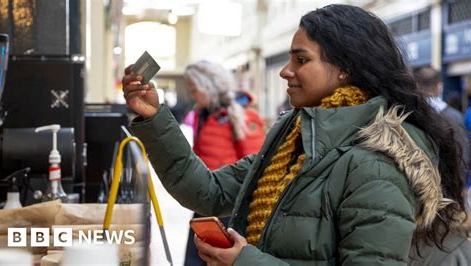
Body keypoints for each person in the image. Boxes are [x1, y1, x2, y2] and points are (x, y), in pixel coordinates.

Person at [122, 4, 468, 265]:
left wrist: (247, 261)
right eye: (289, 59)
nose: (286, 71)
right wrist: (155, 119)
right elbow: (207, 191)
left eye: (301, 60)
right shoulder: (292, 136)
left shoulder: (376, 163)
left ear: (345, 69)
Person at [181, 60, 265, 265]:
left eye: (195, 90)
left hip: (230, 208)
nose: (193, 95)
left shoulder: (241, 115)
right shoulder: (204, 114)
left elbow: (258, 165)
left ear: (208, 86)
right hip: (205, 201)